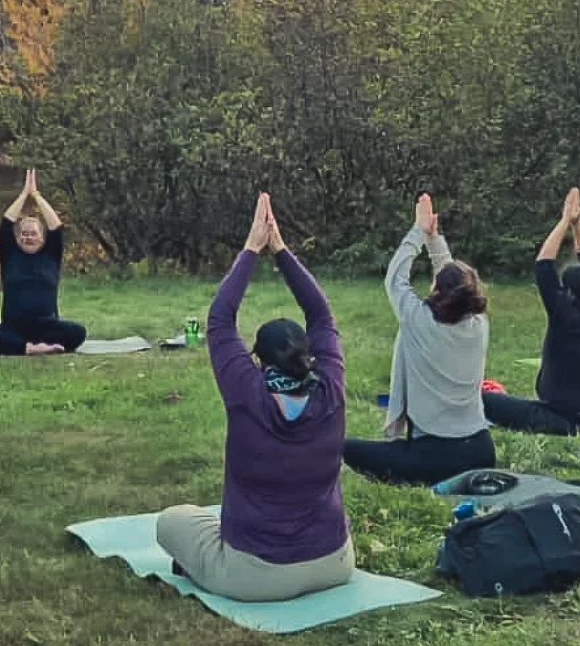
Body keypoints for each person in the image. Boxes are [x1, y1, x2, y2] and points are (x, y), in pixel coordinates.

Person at [155, 193, 352, 602]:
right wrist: (281, 251)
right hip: (334, 563)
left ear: (258, 360)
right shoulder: (330, 387)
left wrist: (251, 249)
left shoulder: (248, 393)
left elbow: (220, 319)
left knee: (173, 521)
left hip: (257, 577)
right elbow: (321, 313)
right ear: (309, 355)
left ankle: (201, 568)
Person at [342, 195, 496, 487]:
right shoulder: (479, 325)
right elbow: (454, 281)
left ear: (439, 291)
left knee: (344, 449)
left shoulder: (419, 320)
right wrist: (434, 238)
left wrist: (418, 231)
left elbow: (395, 279)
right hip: (481, 451)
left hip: (435, 457)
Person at [484, 188, 580, 437]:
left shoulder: (563, 313)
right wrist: (577, 224)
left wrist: (565, 221)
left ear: (567, 292)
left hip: (562, 419)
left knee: (484, 400)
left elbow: (543, 264)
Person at [0, 168, 85, 357]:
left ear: (41, 237)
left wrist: (37, 195)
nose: (28, 237)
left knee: (78, 332)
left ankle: (24, 347)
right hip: (13, 328)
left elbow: (56, 227)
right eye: (24, 233)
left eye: (33, 233)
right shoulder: (10, 254)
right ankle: (31, 348)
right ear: (18, 237)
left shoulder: (51, 255)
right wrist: (24, 195)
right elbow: (7, 223)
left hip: (47, 327)